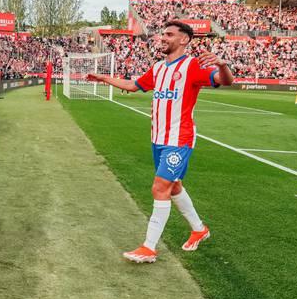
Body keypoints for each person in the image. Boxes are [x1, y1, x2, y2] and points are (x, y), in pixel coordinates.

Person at [86, 20, 233, 264]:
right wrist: (103, 78)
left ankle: (149, 247)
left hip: (179, 138)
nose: (162, 38)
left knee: (160, 187)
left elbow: (224, 80)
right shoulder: (158, 69)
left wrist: (223, 66)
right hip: (158, 139)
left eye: (169, 34)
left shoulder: (192, 66)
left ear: (184, 39)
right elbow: (133, 86)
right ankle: (199, 229)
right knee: (173, 187)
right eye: (162, 34)